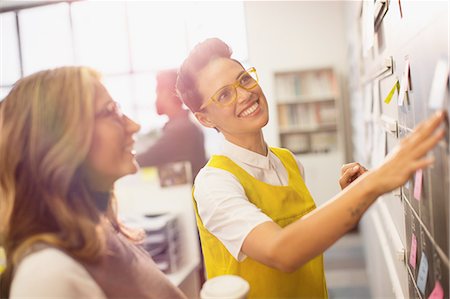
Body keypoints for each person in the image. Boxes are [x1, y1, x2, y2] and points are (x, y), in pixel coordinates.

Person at [176, 38, 446, 298]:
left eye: (244, 78)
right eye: (224, 95)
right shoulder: (214, 184)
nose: (245, 94)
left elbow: (304, 238)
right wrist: (373, 184)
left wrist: (350, 195)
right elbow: (282, 251)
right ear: (204, 118)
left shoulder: (287, 161)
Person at [0, 66, 187, 299]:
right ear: (58, 141)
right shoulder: (48, 277)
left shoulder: (102, 233)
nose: (134, 125)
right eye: (111, 112)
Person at [136, 69, 207, 182]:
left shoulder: (181, 129)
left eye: (157, 92)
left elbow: (146, 159)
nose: (155, 99)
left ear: (166, 93)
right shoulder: (184, 125)